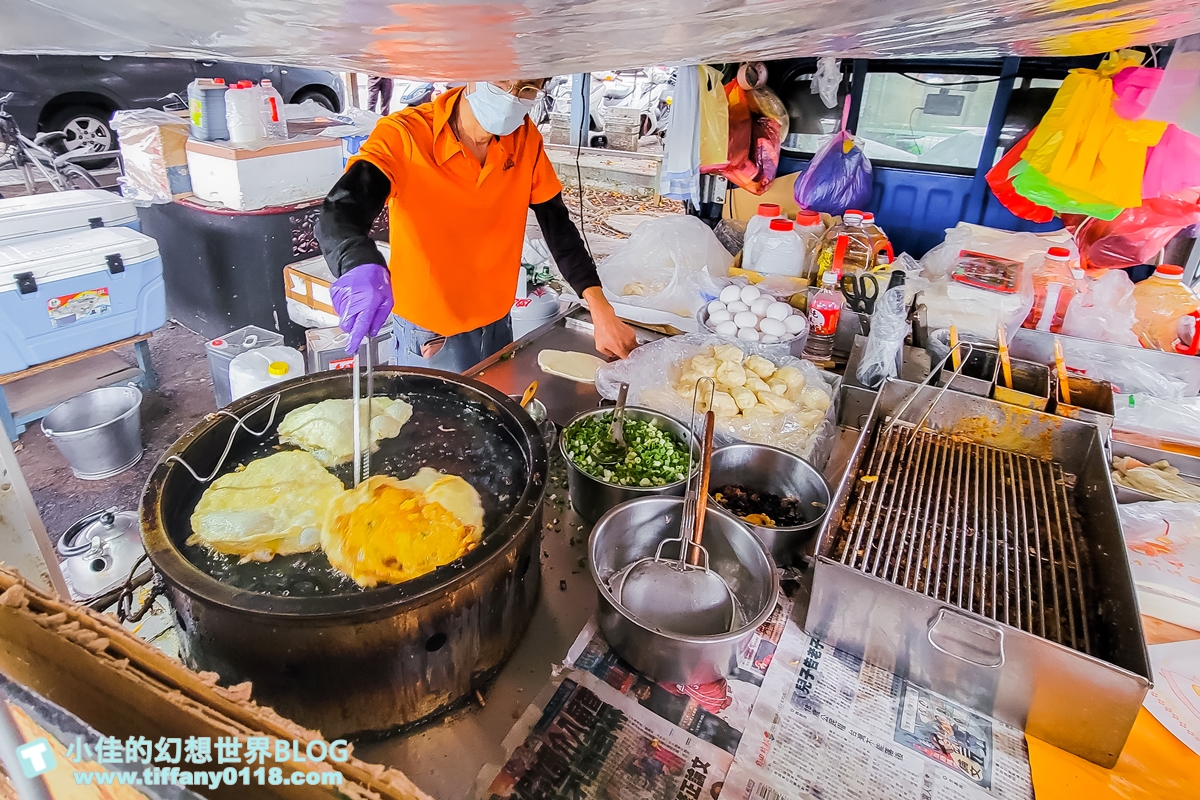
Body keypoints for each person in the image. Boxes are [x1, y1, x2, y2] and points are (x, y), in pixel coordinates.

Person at [317, 78, 638, 372]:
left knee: (497, 426)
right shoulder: (405, 134)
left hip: (498, 322)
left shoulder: (525, 140)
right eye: (502, 80)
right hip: (430, 333)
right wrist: (358, 262)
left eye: (527, 88)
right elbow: (341, 211)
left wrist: (600, 308)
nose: (512, 96)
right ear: (472, 72)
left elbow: (559, 228)